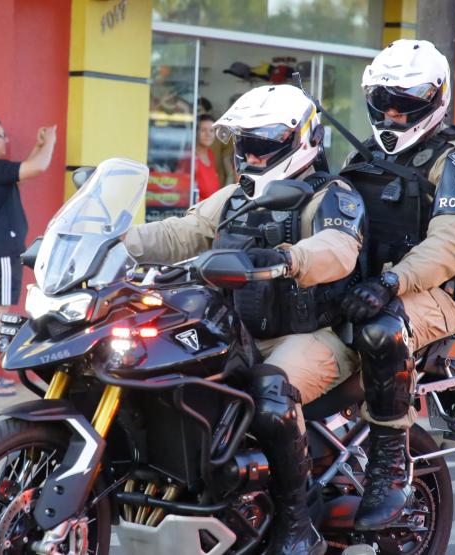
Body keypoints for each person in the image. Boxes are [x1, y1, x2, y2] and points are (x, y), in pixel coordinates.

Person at [125, 84, 366, 555]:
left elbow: (339, 249)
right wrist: (112, 242)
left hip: (315, 335)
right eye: (246, 144)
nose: (252, 155)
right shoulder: (236, 196)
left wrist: (290, 258)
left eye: (264, 144)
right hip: (241, 329)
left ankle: (298, 525)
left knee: (269, 392)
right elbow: (180, 233)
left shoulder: (334, 195)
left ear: (303, 141)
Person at [337, 39, 455, 529]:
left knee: (383, 331)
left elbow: (449, 247)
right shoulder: (359, 155)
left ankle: (388, 463)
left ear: (435, 100)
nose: (393, 116)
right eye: (383, 103)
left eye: (406, 105)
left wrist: (392, 282)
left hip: (429, 296)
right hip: (363, 286)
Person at [0, 118, 57, 397]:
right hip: (1, 251)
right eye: (2, 136)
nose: (6, 140)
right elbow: (38, 167)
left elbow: (21, 171)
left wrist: (38, 145)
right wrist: (51, 139)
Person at [193, 114, 221, 202]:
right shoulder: (191, 158)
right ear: (196, 132)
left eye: (211, 130)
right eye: (203, 130)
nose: (208, 134)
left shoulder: (210, 154)